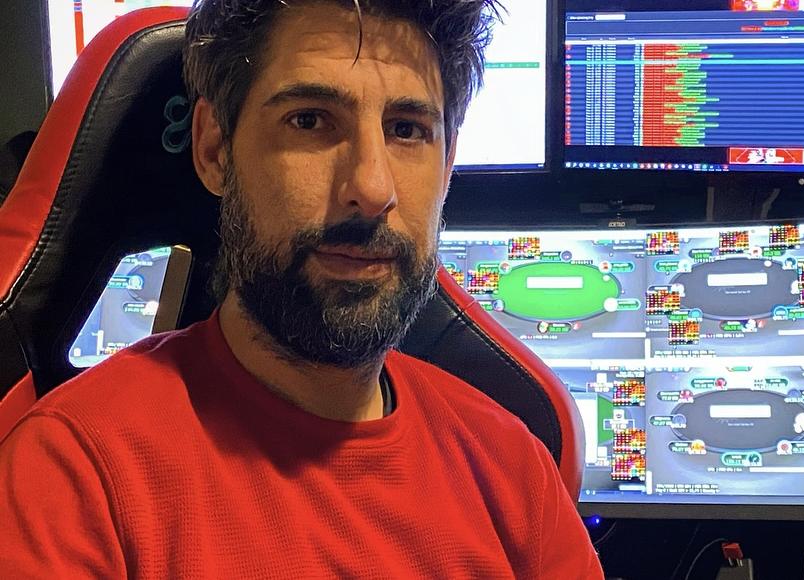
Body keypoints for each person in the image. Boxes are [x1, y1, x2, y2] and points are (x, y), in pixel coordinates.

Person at [0, 1, 603, 577]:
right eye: (310, 120)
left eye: (407, 129)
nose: (372, 188)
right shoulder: (73, 474)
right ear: (214, 149)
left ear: (447, 168)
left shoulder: (515, 472)